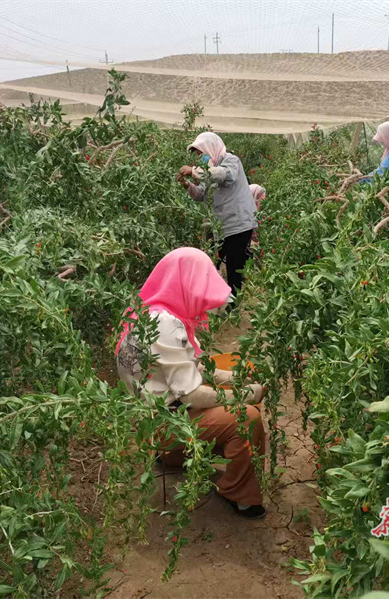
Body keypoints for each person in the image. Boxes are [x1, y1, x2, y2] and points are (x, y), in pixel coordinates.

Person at [115, 247, 267, 519]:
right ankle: (238, 493)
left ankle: (174, 455)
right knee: (248, 418)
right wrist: (246, 394)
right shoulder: (166, 323)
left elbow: (187, 365)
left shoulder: (149, 311)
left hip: (152, 417)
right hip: (166, 423)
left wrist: (235, 378)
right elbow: (191, 395)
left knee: (228, 371)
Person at [176, 132, 257, 299]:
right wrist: (187, 184)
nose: (201, 158)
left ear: (210, 148)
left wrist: (193, 171)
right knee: (211, 262)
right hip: (218, 227)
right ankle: (214, 299)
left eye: (201, 154)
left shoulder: (230, 161)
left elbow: (223, 175)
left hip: (238, 225)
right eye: (199, 156)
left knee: (234, 268)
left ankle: (232, 307)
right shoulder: (208, 169)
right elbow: (200, 194)